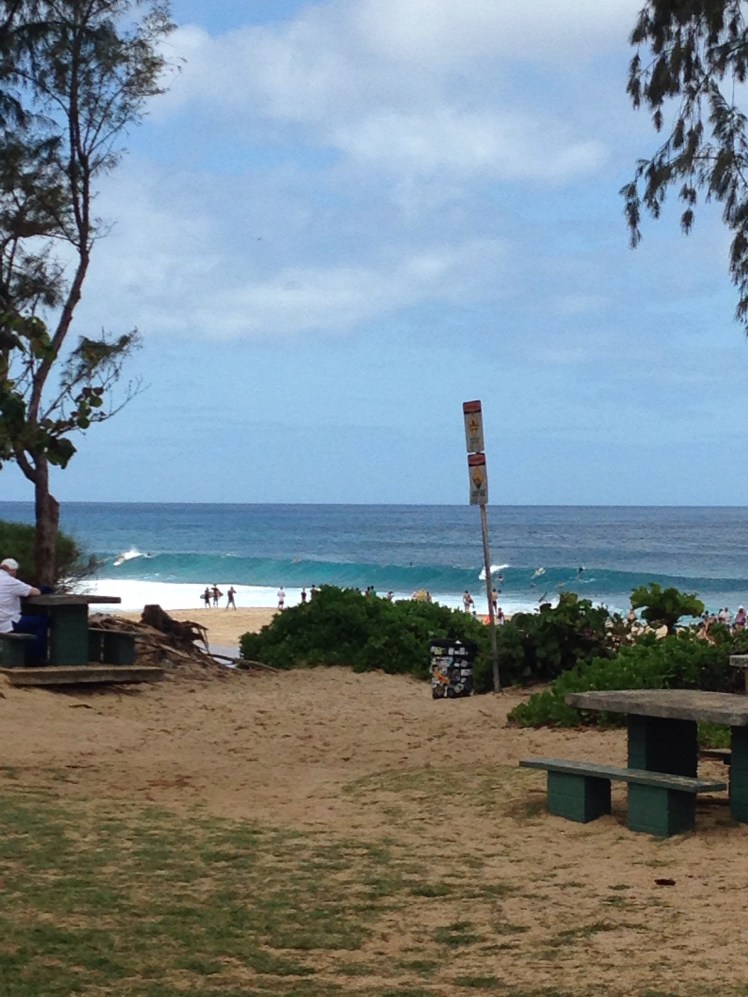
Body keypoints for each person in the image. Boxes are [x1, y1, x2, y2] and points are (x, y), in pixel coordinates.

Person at [0, 557, 47, 664]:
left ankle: (27, 654)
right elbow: (35, 592)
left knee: (29, 621)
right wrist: (43, 589)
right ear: (12, 570)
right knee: (41, 621)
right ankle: (35, 658)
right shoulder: (10, 581)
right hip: (6, 623)